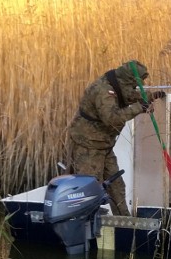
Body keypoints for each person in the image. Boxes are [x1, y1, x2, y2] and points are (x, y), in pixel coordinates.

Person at [67, 60, 165, 215]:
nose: (134, 88)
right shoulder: (104, 91)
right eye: (133, 84)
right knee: (89, 189)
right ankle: (86, 227)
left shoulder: (117, 84)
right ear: (126, 80)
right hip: (88, 146)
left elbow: (128, 94)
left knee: (117, 186)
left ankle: (125, 223)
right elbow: (111, 118)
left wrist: (150, 97)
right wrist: (140, 108)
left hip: (104, 146)